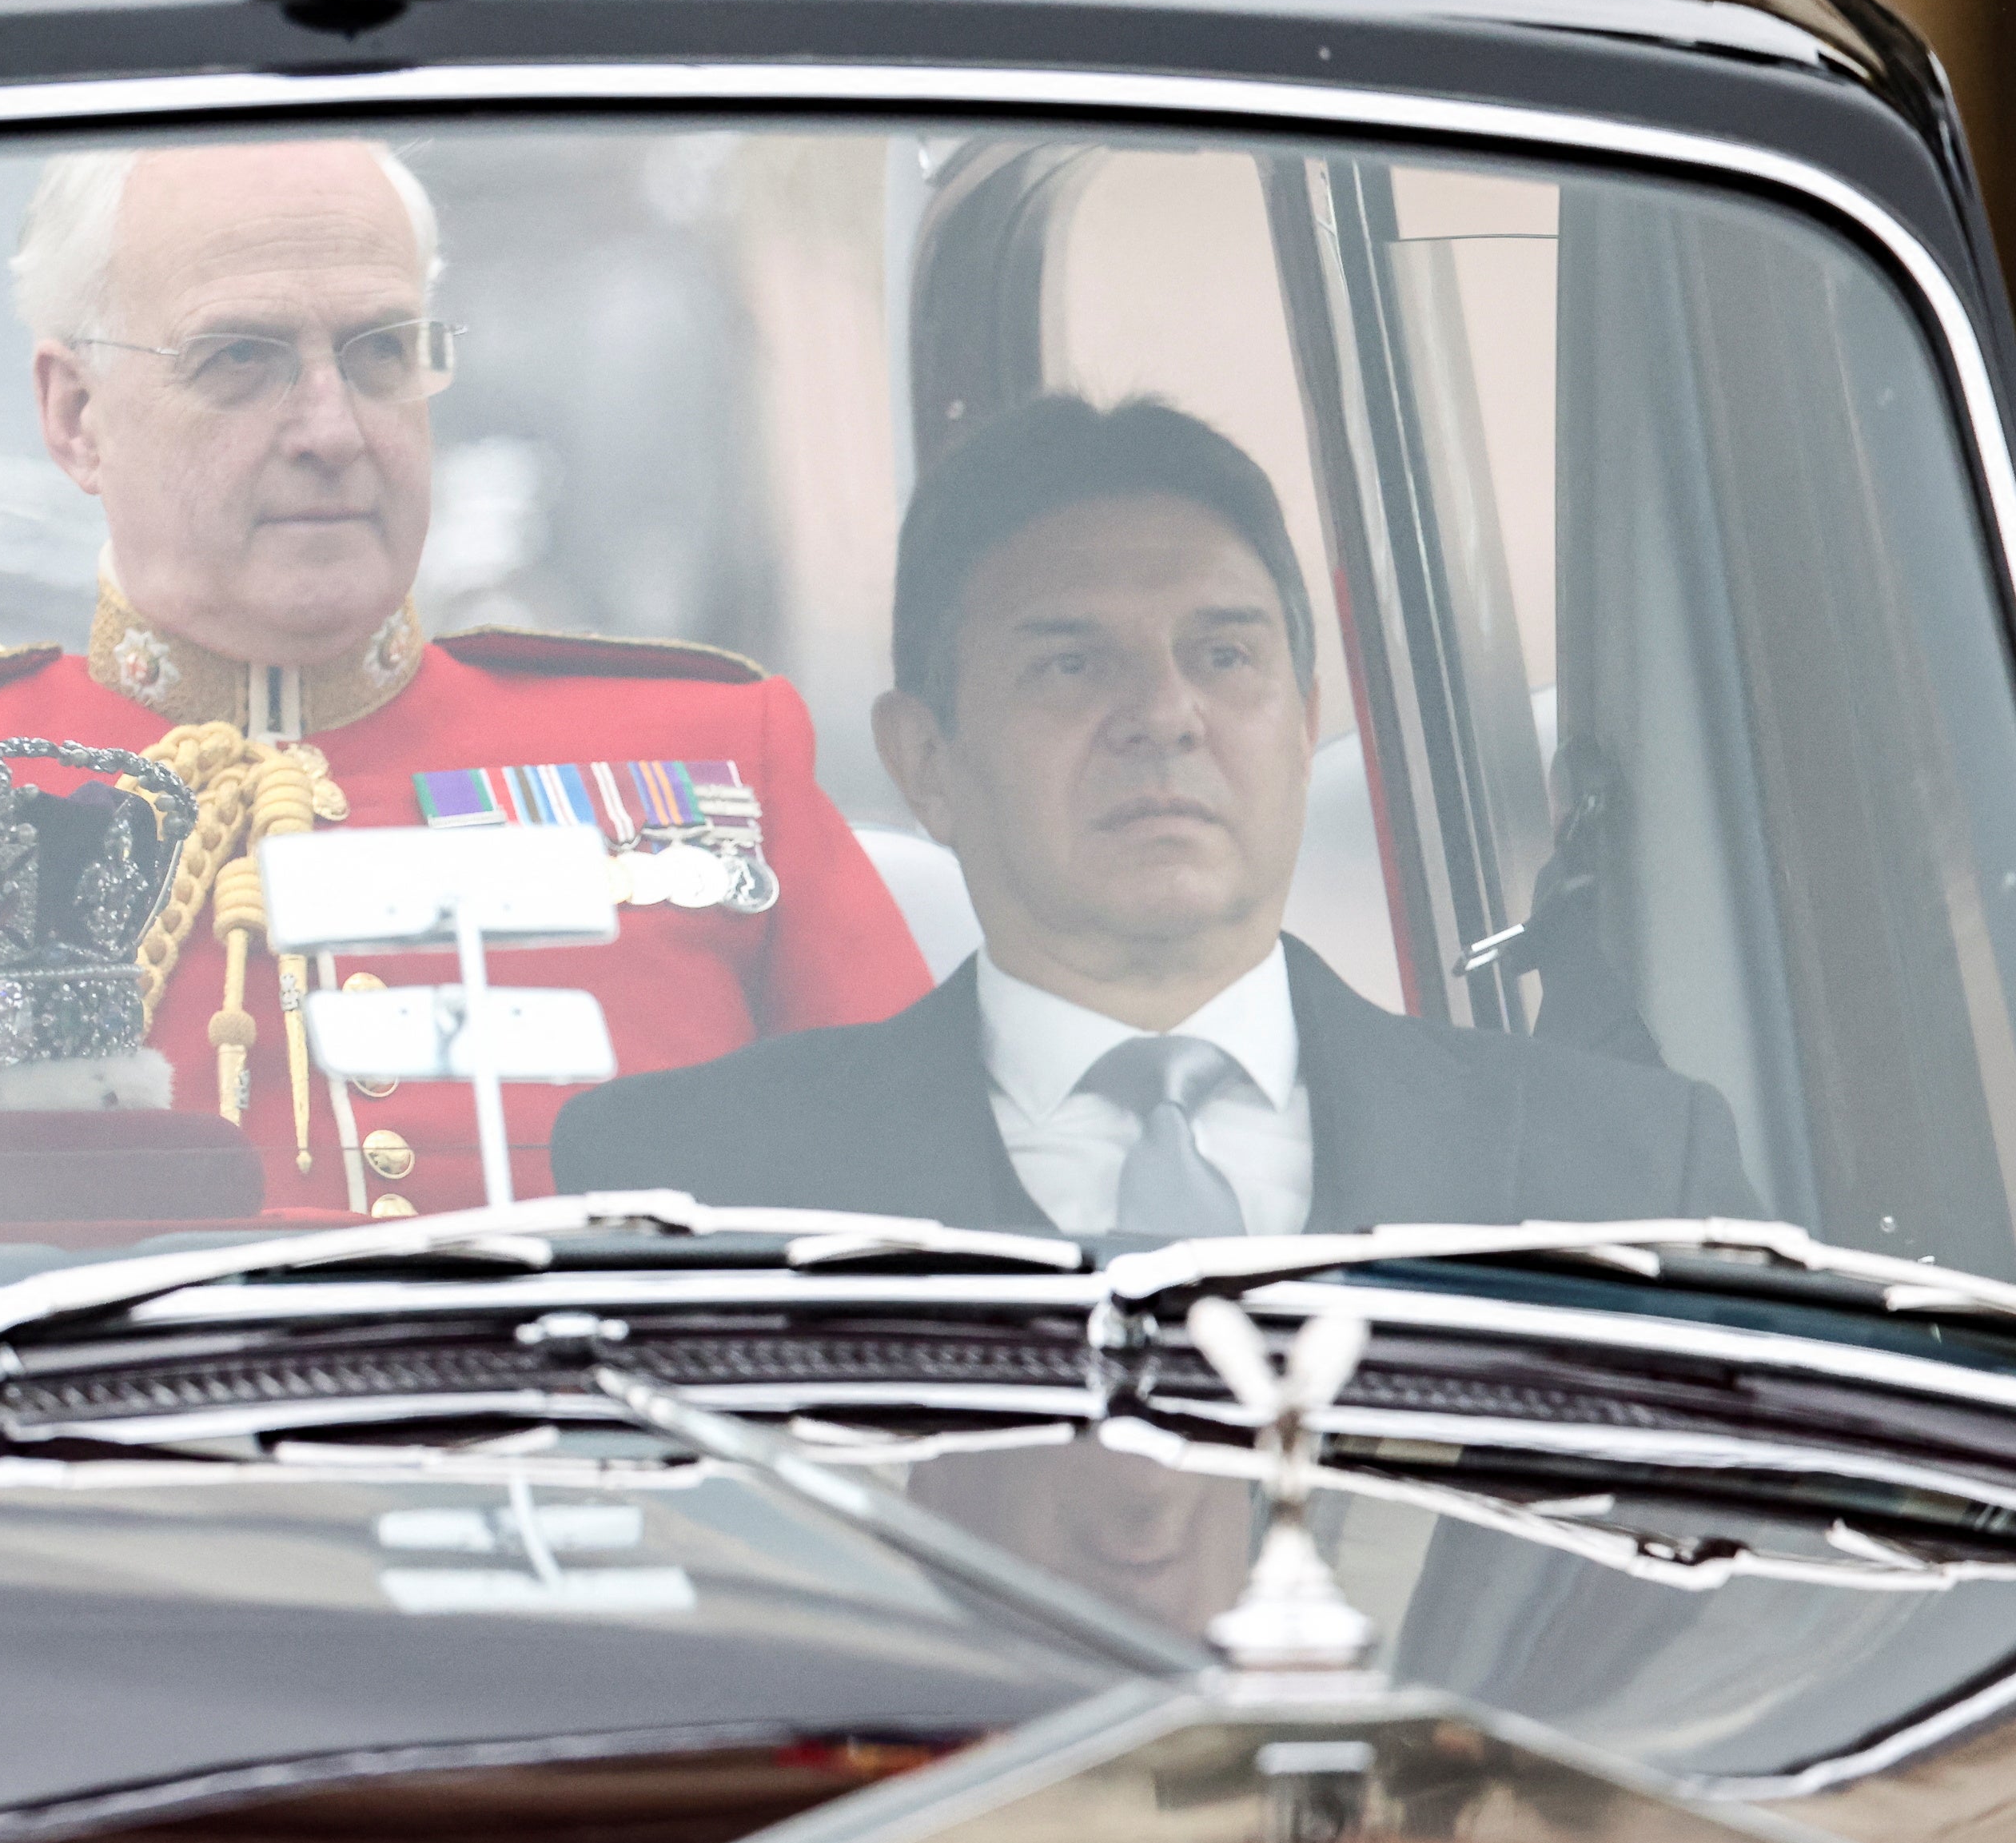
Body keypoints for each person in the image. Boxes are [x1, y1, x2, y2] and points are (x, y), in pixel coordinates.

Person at [0, 138, 930, 1215]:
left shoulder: (706, 755)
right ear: (75, 418)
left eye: (378, 353)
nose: (331, 430)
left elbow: (934, 1214)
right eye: (240, 359)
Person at [552, 394, 1757, 1235]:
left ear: (1300, 719)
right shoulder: (683, 1188)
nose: (1164, 713)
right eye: (1071, 666)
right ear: (924, 761)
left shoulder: (1630, 1171)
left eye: (1223, 654)